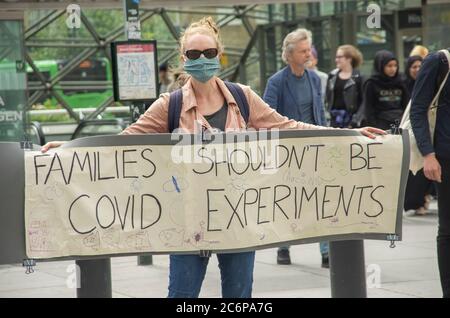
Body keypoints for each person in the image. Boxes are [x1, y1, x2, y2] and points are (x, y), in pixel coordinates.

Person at [42, 17, 384, 298]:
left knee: (239, 299)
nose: (201, 58)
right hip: (187, 222)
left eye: (208, 51)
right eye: (193, 53)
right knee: (182, 297)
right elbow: (124, 141)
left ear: (219, 54)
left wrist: (348, 135)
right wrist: (71, 148)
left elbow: (288, 127)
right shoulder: (170, 105)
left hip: (237, 219)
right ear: (183, 58)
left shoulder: (242, 97)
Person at [262, 29, 329, 268]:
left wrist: (326, 139)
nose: (308, 54)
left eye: (309, 49)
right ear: (289, 55)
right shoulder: (276, 82)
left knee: (319, 200)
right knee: (288, 201)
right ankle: (283, 247)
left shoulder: (314, 78)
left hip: (315, 149)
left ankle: (325, 251)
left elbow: (319, 113)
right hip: (287, 152)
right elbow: (266, 117)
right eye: (303, 51)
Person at [410, 48, 450, 298]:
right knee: (447, 229)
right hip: (444, 157)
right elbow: (418, 109)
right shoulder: (439, 61)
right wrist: (428, 154)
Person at [402, 55, 433, 216]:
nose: (417, 70)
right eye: (413, 66)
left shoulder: (431, 83)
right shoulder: (404, 84)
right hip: (411, 132)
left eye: (420, 66)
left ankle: (423, 198)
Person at [361, 50, 409, 130]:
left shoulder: (401, 81)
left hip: (400, 123)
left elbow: (406, 104)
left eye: (395, 66)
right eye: (389, 66)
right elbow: (368, 109)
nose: (393, 69)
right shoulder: (372, 83)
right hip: (380, 124)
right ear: (381, 66)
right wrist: (374, 127)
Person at [326, 45, 364, 128]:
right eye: (336, 57)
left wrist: (355, 120)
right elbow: (328, 99)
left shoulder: (359, 77)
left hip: (351, 122)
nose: (336, 60)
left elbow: (364, 102)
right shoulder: (332, 76)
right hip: (334, 121)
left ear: (349, 59)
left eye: (339, 57)